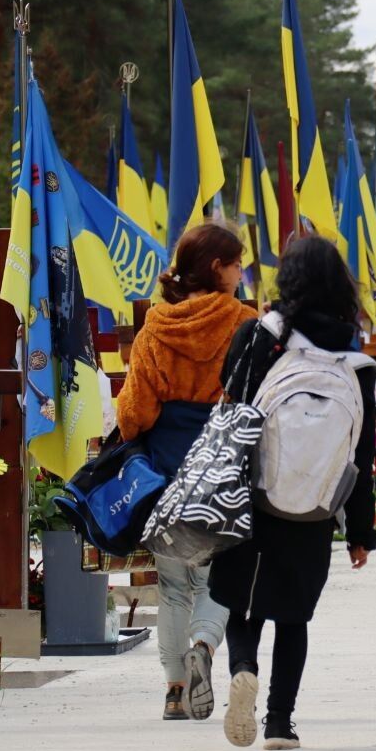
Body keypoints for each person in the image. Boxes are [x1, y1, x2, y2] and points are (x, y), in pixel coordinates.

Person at [208, 236, 376, 751]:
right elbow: (361, 453)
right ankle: (280, 723)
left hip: (254, 497)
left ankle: (242, 668)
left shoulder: (263, 335)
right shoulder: (356, 355)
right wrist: (360, 532)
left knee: (243, 602)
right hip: (316, 508)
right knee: (294, 615)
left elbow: (230, 411)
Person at [117, 222, 256, 722]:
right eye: (238, 263)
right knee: (220, 581)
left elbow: (135, 414)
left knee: (172, 586)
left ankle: (175, 690)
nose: (244, 272)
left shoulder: (157, 326)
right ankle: (204, 644)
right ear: (217, 268)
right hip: (222, 470)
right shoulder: (245, 323)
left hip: (166, 471)